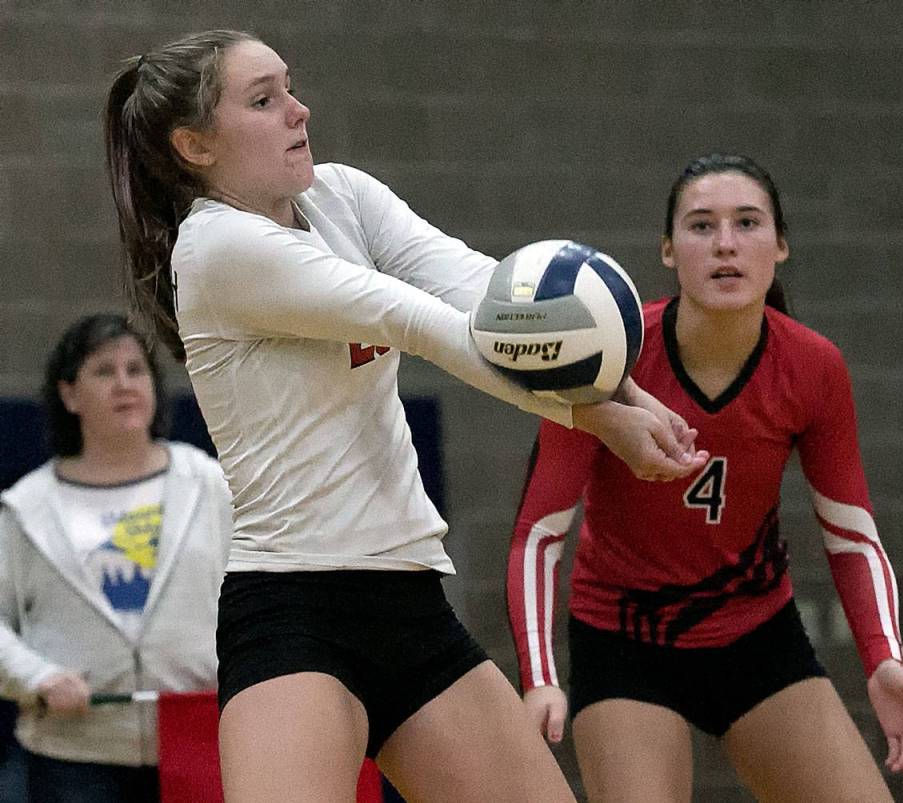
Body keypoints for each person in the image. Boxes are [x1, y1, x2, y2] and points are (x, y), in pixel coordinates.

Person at [103, 29, 707, 803]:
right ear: (195, 145)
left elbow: (486, 296)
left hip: (409, 597)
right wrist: (603, 421)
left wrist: (632, 391)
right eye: (264, 100)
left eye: (290, 86)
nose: (298, 109)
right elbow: (422, 324)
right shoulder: (218, 249)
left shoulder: (343, 194)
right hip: (294, 614)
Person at [507, 153, 903, 802]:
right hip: (624, 643)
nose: (727, 245)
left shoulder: (813, 366)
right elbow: (537, 534)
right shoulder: (608, 354)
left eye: (748, 223)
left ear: (782, 246)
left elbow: (853, 534)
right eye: (702, 226)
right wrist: (541, 676)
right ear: (667, 250)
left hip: (757, 636)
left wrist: (884, 660)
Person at [0, 313, 231, 803]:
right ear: (69, 395)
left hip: (201, 740)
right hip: (74, 757)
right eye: (104, 371)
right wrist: (37, 677)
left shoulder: (209, 485)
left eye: (136, 369)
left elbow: (259, 592)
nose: (123, 384)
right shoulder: (26, 506)